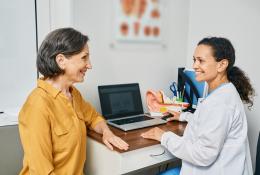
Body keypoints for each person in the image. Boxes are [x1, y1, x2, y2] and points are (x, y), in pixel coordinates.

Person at [18, 27, 129, 175]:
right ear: (61, 61)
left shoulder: (73, 94)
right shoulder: (37, 106)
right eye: (84, 58)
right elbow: (41, 172)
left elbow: (94, 118)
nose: (89, 65)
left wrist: (106, 132)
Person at [141, 37, 255, 175]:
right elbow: (209, 121)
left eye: (201, 60)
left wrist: (164, 137)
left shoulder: (221, 103)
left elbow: (203, 154)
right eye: (194, 60)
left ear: (222, 64)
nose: (195, 65)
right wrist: (184, 116)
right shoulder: (223, 92)